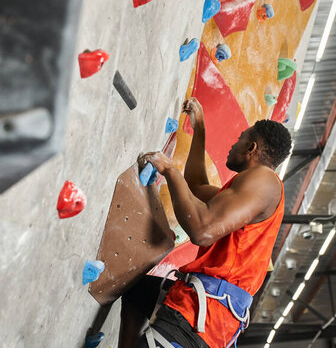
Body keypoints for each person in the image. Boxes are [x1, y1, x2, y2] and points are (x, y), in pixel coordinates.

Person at [118, 97, 292, 348]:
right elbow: (196, 188)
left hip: (201, 320)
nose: (234, 144)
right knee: (138, 292)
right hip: (202, 315)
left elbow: (202, 230)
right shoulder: (251, 195)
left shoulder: (264, 181)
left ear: (252, 147)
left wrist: (169, 170)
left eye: (240, 138)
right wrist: (199, 129)